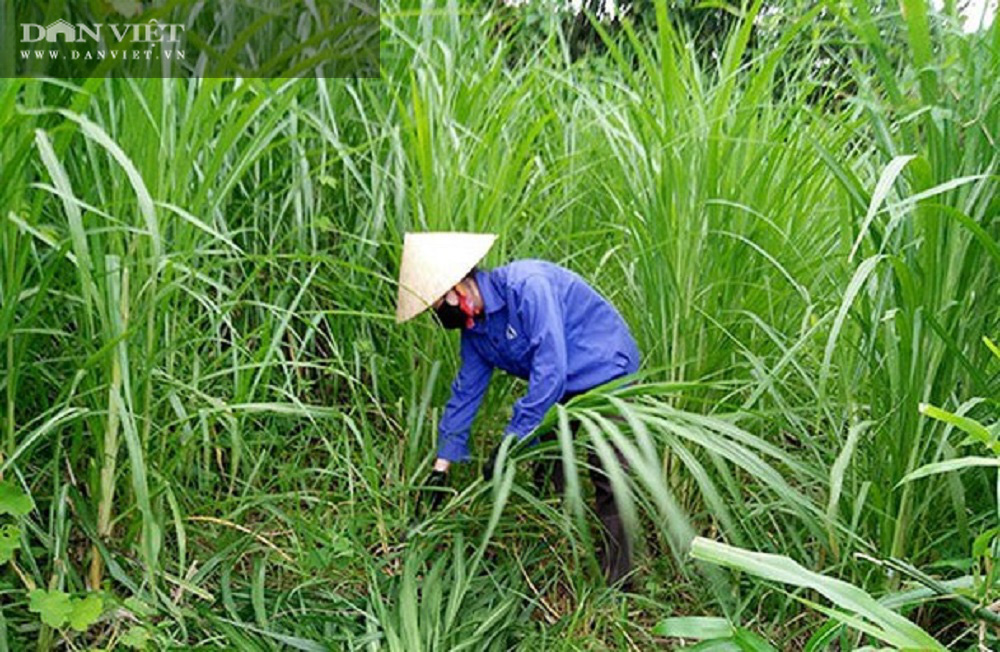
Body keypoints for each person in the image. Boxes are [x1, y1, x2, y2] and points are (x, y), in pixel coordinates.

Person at [395, 231, 641, 588]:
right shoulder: (476, 331)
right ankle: (556, 553)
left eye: (436, 306)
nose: (439, 316)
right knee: (547, 467)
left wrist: (512, 439)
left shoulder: (529, 286)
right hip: (559, 384)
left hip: (604, 369)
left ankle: (620, 583)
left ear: (458, 289)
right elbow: (465, 393)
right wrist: (441, 468)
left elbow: (551, 369)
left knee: (609, 473)